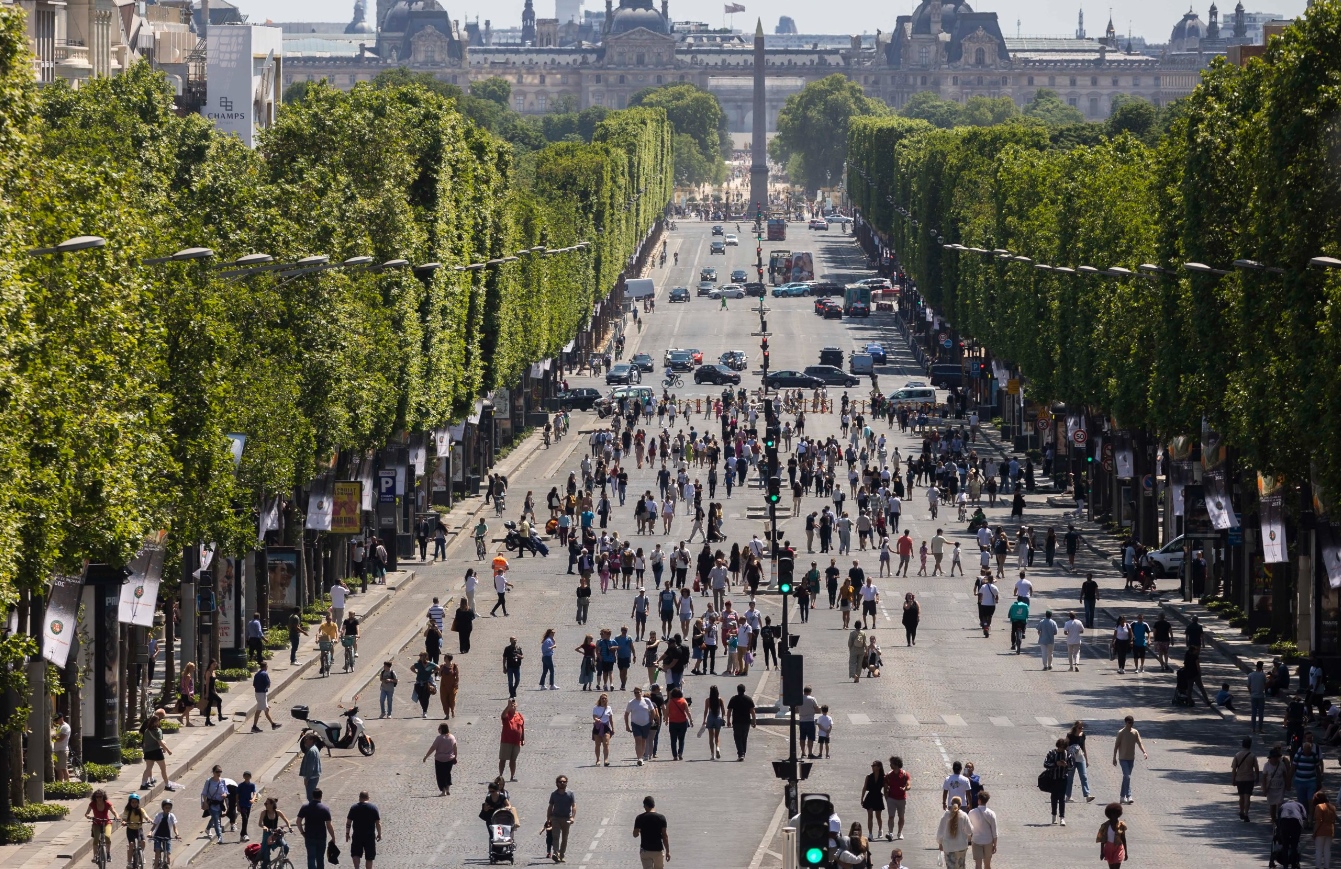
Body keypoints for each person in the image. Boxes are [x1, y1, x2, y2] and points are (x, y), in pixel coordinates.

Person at [1112, 715, 1147, 804]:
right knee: (1127, 776)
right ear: (1126, 723)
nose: (1131, 724)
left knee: (1126, 778)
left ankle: (1121, 797)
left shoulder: (1135, 732)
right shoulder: (1121, 732)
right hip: (1123, 758)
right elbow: (1116, 746)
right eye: (1129, 723)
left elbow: (1140, 743)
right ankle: (1129, 795)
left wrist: (1144, 752)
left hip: (1131, 758)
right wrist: (1114, 758)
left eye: (1132, 723)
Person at [296, 789, 335, 869]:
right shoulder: (325, 809)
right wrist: (333, 836)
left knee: (311, 858)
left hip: (309, 836)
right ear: (321, 796)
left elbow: (298, 822)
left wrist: (302, 832)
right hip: (321, 837)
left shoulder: (305, 807)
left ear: (312, 795)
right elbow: (329, 825)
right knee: (320, 859)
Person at [344, 792, 381, 869]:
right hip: (369, 836)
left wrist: (347, 833)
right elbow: (378, 823)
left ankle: (357, 868)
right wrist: (379, 834)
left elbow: (348, 822)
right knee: (369, 857)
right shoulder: (373, 808)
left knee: (356, 854)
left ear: (359, 797)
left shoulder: (354, 808)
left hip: (357, 835)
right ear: (368, 797)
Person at [632, 796, 670, 869]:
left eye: (644, 805)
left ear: (646, 805)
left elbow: (635, 835)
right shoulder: (661, 818)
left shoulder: (639, 818)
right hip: (658, 850)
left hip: (645, 851)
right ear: (653, 805)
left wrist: (639, 830)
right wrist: (668, 851)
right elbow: (665, 836)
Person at [140, 709, 173, 791]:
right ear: (156, 722)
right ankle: (167, 784)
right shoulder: (158, 730)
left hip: (148, 752)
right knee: (163, 769)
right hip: (157, 752)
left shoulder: (147, 731)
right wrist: (168, 750)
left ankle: (143, 784)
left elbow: (145, 742)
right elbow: (160, 742)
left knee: (148, 768)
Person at [546, 776, 577, 864]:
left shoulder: (570, 793)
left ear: (567, 782)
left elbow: (574, 806)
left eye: (564, 781)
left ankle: (562, 855)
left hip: (566, 818)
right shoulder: (554, 794)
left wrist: (572, 817)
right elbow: (550, 806)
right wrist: (548, 819)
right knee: (555, 837)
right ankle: (556, 853)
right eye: (560, 782)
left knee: (565, 838)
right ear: (557, 783)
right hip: (556, 818)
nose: (562, 783)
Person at [422, 723, 458, 796]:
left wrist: (426, 756)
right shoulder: (452, 737)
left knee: (440, 775)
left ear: (441, 729)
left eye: (439, 728)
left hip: (439, 760)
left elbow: (433, 748)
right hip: (449, 759)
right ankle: (448, 788)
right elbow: (455, 748)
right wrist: (455, 757)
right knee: (447, 774)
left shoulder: (439, 738)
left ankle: (443, 791)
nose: (438, 730)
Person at [625, 687, 657, 766]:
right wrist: (627, 725)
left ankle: (642, 756)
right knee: (638, 740)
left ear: (641, 692)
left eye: (638, 692)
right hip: (635, 724)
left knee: (643, 741)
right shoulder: (631, 702)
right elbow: (626, 714)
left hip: (646, 724)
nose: (637, 694)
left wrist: (651, 720)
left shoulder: (646, 701)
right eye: (635, 693)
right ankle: (639, 758)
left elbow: (653, 711)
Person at [937, 796, 970, 869]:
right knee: (961, 866)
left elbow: (940, 831)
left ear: (951, 804)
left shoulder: (946, 815)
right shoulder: (964, 815)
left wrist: (940, 842)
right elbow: (969, 831)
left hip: (949, 846)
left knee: (950, 867)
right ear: (960, 804)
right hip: (961, 846)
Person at [967, 791, 998, 869]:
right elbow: (994, 831)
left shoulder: (971, 812)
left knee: (978, 865)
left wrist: (969, 839)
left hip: (976, 840)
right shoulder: (991, 813)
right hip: (988, 841)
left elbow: (968, 828)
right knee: (987, 865)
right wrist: (995, 844)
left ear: (979, 800)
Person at [1044, 737, 1071, 825]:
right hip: (1053, 778)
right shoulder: (1051, 753)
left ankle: (1062, 817)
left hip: (1063, 778)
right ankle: (1054, 815)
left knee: (1062, 798)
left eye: (1063, 748)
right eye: (1061, 747)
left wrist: (1066, 765)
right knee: (1054, 797)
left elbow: (1071, 766)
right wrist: (1056, 764)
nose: (1062, 749)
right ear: (1058, 746)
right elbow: (1045, 764)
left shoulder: (1067, 754)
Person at [1231, 737, 1259, 822]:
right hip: (1249, 779)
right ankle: (1246, 813)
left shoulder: (1237, 755)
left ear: (1242, 744)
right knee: (1247, 797)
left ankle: (1241, 811)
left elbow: (1234, 769)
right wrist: (1257, 777)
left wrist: (1233, 779)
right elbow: (1256, 768)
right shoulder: (1252, 756)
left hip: (1240, 778)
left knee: (1241, 796)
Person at [1065, 720, 1094, 803]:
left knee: (1084, 776)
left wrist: (1086, 759)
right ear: (1075, 727)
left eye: (1082, 727)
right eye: (1080, 727)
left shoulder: (1083, 735)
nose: (1081, 729)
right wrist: (1071, 749)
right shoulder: (1070, 736)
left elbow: (1084, 748)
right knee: (1070, 778)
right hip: (1071, 759)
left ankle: (1087, 795)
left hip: (1081, 758)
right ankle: (1068, 796)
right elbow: (1064, 746)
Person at [726, 683, 756, 761]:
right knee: (744, 737)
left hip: (736, 722)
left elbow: (729, 711)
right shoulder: (748, 699)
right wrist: (754, 721)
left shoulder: (733, 699)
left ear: (737, 690)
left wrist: (728, 721)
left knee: (737, 738)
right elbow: (752, 711)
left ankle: (741, 753)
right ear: (744, 690)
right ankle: (743, 753)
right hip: (746, 722)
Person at [201, 765, 228, 844]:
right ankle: (219, 837)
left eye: (220, 772)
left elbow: (226, 791)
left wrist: (225, 795)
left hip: (220, 803)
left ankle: (207, 828)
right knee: (217, 820)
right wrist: (204, 802)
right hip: (211, 803)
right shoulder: (209, 781)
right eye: (217, 772)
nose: (219, 773)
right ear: (213, 772)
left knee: (215, 817)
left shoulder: (222, 781)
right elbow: (204, 793)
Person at [499, 699, 525, 781]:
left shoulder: (519, 715)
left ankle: (512, 776)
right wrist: (508, 706)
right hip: (506, 741)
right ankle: (500, 775)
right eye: (511, 705)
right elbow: (503, 715)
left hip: (516, 741)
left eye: (514, 704)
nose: (513, 706)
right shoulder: (507, 715)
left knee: (513, 760)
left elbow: (522, 727)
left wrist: (523, 739)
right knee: (503, 759)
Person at [861, 760, 888, 840]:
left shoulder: (883, 777)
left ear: (879, 767)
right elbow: (864, 788)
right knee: (870, 815)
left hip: (878, 796)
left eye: (874, 766)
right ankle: (870, 833)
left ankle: (880, 830)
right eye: (872, 766)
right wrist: (862, 798)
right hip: (870, 796)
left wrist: (887, 799)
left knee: (878, 816)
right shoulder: (869, 777)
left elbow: (885, 789)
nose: (872, 767)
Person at [1096, 802, 1128, 869]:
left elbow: (1124, 839)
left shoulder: (1121, 825)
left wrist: (1126, 852)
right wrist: (1102, 852)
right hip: (1109, 848)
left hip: (1118, 847)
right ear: (1109, 815)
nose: (1114, 817)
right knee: (1112, 867)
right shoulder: (1105, 826)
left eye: (1116, 814)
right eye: (1112, 814)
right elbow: (1102, 840)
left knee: (1117, 866)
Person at [252, 661, 281, 733]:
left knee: (264, 709)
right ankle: (255, 726)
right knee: (261, 710)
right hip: (262, 694)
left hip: (257, 693)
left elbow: (254, 684)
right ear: (265, 667)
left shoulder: (257, 674)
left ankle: (272, 724)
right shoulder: (264, 674)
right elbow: (268, 684)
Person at [149, 799, 178, 869]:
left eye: (169, 808)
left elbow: (175, 827)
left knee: (168, 855)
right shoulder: (159, 815)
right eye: (166, 808)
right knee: (157, 852)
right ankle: (155, 867)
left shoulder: (172, 816)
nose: (168, 809)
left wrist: (177, 834)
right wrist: (150, 833)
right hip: (158, 836)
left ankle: (167, 865)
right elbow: (154, 826)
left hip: (167, 837)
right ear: (163, 808)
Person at [665, 686, 692, 761]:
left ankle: (674, 756)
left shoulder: (670, 702)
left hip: (673, 723)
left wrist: (666, 720)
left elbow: (667, 712)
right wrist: (691, 720)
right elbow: (687, 712)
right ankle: (680, 753)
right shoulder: (683, 701)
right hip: (683, 722)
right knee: (681, 739)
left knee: (673, 740)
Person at [123, 793, 147, 863]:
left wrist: (149, 820)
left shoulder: (140, 810)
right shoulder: (127, 810)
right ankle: (129, 862)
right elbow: (124, 818)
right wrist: (124, 822)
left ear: (138, 802)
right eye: (132, 802)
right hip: (130, 829)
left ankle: (141, 854)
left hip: (139, 829)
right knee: (131, 844)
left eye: (136, 802)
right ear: (130, 802)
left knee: (143, 842)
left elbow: (146, 816)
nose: (134, 804)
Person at [1314, 790, 1336, 869]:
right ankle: (1327, 867)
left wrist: (1314, 832)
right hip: (1330, 830)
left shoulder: (1319, 806)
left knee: (1319, 850)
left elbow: (1318, 821)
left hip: (1320, 830)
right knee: (1327, 850)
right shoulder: (1332, 807)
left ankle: (1318, 866)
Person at [299, 734, 322, 802]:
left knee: (310, 798)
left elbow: (310, 767)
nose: (304, 741)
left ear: (311, 740)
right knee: (312, 797)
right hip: (313, 777)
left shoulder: (311, 751)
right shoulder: (313, 749)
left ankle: (314, 811)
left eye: (307, 739)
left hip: (311, 778)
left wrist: (307, 778)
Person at [1249, 660, 1269, 733]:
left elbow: (1248, 685)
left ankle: (1253, 728)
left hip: (1253, 695)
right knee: (1261, 713)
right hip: (1261, 696)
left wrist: (1251, 692)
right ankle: (1260, 728)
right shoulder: (1263, 675)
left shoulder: (1251, 675)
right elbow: (1266, 684)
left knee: (1253, 712)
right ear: (1262, 667)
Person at [53, 712, 71, 782]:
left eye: (57, 720)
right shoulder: (59, 727)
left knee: (63, 768)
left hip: (62, 750)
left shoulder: (65, 727)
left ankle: (67, 783)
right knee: (58, 769)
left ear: (61, 719)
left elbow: (61, 738)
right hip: (57, 750)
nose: (56, 721)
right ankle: (60, 783)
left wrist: (53, 738)